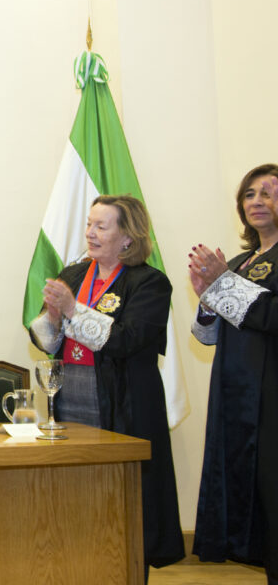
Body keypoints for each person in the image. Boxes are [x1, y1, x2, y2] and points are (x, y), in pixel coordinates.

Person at [30, 194, 183, 573]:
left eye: (102, 226)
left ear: (128, 237)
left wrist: (70, 309)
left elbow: (127, 340)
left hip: (122, 404)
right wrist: (51, 316)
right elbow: (47, 341)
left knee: (122, 506)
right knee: (72, 501)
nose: (91, 233)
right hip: (69, 400)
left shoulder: (150, 282)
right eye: (88, 224)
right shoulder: (75, 275)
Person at [190, 165, 278, 578]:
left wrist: (222, 284)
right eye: (250, 194)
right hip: (235, 393)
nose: (258, 201)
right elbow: (208, 337)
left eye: (269, 192)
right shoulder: (242, 261)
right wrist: (207, 300)